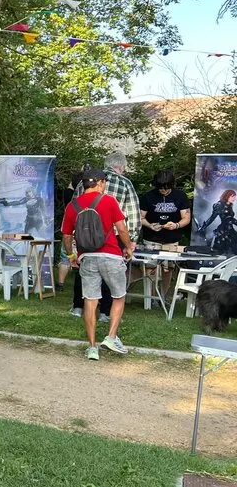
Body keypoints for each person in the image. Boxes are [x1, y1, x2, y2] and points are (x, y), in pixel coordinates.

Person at [62, 168, 135, 360]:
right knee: (119, 296)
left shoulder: (72, 205)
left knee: (90, 301)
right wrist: (128, 247)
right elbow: (121, 227)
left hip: (87, 257)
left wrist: (71, 256)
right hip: (110, 254)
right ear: (101, 182)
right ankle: (111, 337)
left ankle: (92, 347)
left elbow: (67, 235)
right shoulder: (108, 201)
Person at [72, 153, 140, 319]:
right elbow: (132, 214)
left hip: (85, 233)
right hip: (113, 235)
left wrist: (75, 235)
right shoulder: (125, 183)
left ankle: (78, 307)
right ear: (122, 167)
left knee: (83, 270)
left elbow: (74, 205)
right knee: (110, 273)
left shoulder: (86, 181)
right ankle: (105, 312)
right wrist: (132, 240)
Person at [140, 169, 192, 295]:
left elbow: (186, 218)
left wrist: (176, 225)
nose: (163, 190)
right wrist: (150, 225)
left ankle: (162, 295)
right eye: (160, 188)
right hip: (151, 237)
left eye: (166, 188)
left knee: (168, 268)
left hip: (172, 239)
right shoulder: (148, 196)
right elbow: (140, 217)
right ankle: (151, 296)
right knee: (150, 268)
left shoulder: (180, 196)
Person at [57, 171, 83, 287]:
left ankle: (61, 283)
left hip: (69, 230)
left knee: (65, 257)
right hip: (83, 232)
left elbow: (69, 186)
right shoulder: (86, 198)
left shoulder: (69, 196)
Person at [196, 190, 237, 256]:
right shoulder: (219, 205)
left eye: (235, 196)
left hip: (230, 230)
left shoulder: (229, 205)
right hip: (223, 231)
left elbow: (231, 219)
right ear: (227, 195)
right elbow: (212, 218)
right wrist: (203, 227)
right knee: (221, 250)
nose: (234, 198)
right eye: (232, 196)